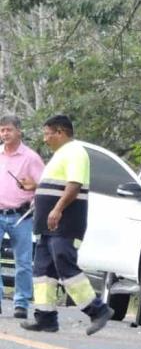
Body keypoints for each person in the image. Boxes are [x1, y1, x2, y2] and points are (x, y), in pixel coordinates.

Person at [19, 114, 113, 335]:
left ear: (60, 132)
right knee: (42, 270)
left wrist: (58, 208)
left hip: (65, 222)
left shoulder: (75, 152)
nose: (45, 139)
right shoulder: (60, 155)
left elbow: (74, 185)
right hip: (48, 225)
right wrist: (35, 186)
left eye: (47, 134)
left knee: (64, 262)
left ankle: (97, 310)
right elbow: (55, 186)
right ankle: (45, 317)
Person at [0, 115, 45, 319]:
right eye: (2, 130)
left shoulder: (31, 158)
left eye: (8, 129)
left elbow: (44, 186)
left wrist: (35, 202)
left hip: (21, 216)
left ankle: (21, 303)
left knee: (24, 262)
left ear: (19, 131)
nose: (5, 134)